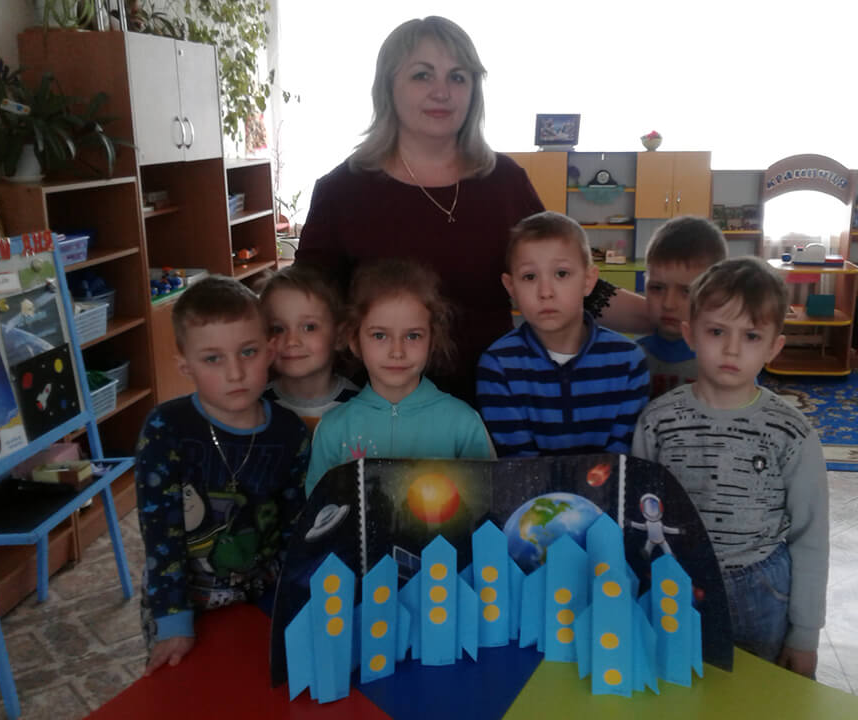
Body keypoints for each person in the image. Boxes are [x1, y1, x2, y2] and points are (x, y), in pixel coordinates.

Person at [294, 16, 649, 402]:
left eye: (458, 77)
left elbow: (568, 283)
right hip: (378, 412)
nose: (442, 92)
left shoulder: (506, 181)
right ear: (387, 87)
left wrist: (664, 316)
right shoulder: (341, 191)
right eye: (422, 75)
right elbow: (303, 311)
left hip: (502, 405)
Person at [630, 257, 829, 678]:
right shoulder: (656, 421)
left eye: (751, 335)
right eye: (717, 331)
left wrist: (805, 635)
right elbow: (638, 516)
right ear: (690, 334)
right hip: (676, 583)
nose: (732, 349)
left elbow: (811, 537)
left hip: (760, 592)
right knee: (680, 689)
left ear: (774, 347)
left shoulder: (791, 432)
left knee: (757, 696)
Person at [135, 276, 310, 675]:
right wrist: (174, 621)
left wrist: (293, 599)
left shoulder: (290, 432)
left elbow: (293, 526)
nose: (235, 373)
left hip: (262, 597)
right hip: (183, 602)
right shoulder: (166, 429)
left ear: (269, 351)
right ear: (185, 366)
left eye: (247, 352)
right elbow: (160, 533)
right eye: (213, 359)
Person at [306, 258, 494, 496]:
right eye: (380, 335)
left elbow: (489, 503)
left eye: (413, 336)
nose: (397, 352)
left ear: (432, 341)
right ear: (354, 341)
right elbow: (320, 511)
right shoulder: (333, 429)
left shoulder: (464, 423)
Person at [476, 212, 650, 457]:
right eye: (529, 277)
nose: (545, 292)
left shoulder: (629, 361)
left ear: (588, 280)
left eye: (561, 274)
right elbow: (519, 464)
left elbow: (620, 460)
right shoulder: (498, 367)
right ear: (511, 286)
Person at [259, 265, 358, 432]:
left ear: (340, 337)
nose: (292, 341)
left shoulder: (359, 405)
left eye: (309, 327)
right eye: (278, 329)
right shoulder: (257, 405)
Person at [639, 216, 728, 398]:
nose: (668, 304)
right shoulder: (631, 358)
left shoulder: (730, 363)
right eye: (657, 288)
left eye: (687, 291)